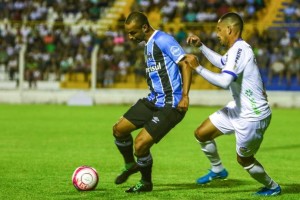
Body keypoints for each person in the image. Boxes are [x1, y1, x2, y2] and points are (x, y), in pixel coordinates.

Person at [186, 12, 281, 196]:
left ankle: (272, 187)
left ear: (229, 29)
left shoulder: (240, 50)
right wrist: (201, 47)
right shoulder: (235, 51)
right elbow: (222, 62)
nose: (217, 34)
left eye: (219, 30)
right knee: (202, 133)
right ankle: (218, 170)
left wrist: (197, 67)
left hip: (252, 116)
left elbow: (224, 82)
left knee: (244, 160)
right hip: (238, 108)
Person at [113, 11, 194, 193]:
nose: (130, 37)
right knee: (119, 129)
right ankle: (129, 165)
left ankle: (146, 183)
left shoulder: (163, 40)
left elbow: (186, 63)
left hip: (171, 104)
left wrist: (185, 96)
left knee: (140, 144)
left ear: (144, 27)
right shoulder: (148, 45)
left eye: (133, 32)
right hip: (153, 100)